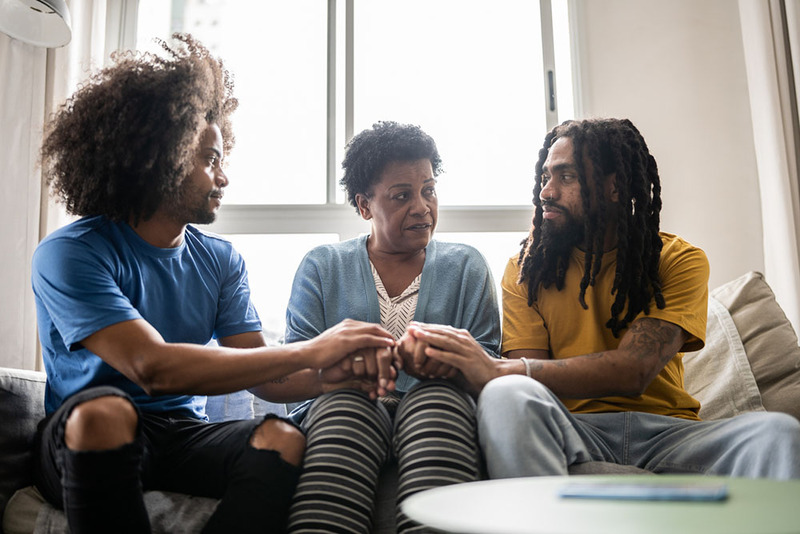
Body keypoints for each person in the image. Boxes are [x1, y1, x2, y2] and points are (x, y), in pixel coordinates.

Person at [31, 34, 396, 534]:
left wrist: (340, 374)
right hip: (82, 432)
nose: (223, 177)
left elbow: (269, 380)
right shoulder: (70, 251)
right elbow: (151, 367)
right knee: (106, 413)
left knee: (283, 438)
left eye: (222, 159)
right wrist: (314, 349)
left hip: (181, 434)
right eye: (209, 160)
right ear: (159, 158)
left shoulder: (222, 261)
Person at [406, 118, 800, 480]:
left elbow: (636, 369)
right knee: (506, 394)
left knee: (777, 431)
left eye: (566, 177)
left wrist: (495, 369)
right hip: (573, 428)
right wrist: (493, 374)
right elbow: (531, 379)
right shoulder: (526, 269)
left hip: (669, 432)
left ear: (614, 187)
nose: (547, 191)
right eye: (545, 176)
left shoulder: (678, 260)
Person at [278, 121, 500, 533]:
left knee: (438, 403)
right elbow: (292, 369)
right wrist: (343, 369)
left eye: (429, 190)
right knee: (345, 406)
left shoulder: (467, 266)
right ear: (364, 206)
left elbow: (489, 366)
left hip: (442, 413)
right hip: (343, 408)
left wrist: (446, 363)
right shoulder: (322, 266)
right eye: (402, 196)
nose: (422, 207)